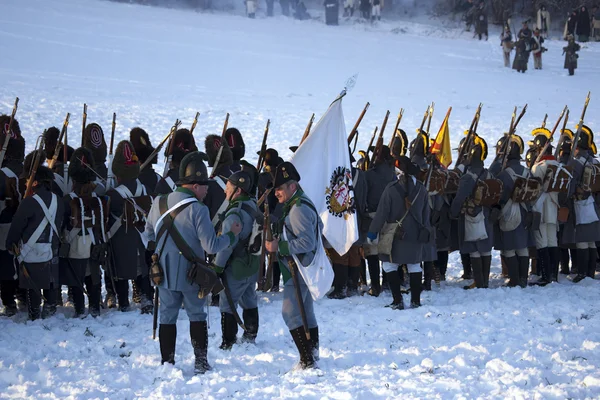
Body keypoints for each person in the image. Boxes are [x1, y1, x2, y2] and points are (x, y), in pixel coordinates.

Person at [145, 151, 241, 374]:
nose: (207, 189)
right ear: (195, 185)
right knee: (197, 315)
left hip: (162, 273)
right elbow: (211, 247)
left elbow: (147, 235)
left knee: (167, 316)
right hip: (192, 274)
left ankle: (167, 363)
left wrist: (162, 251)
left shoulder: (158, 202)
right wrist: (231, 236)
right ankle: (200, 362)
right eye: (204, 185)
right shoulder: (199, 209)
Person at [265, 161, 320, 369]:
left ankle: (306, 359)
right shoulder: (300, 203)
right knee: (306, 312)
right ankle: (312, 355)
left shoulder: (298, 209)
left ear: (292, 187)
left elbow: (308, 242)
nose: (277, 193)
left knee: (289, 313)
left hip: (298, 268)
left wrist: (279, 246)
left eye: (280, 188)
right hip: (301, 267)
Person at [367, 155, 427, 308]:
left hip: (395, 234)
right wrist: (425, 231)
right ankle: (415, 301)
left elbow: (382, 213)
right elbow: (427, 214)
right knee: (414, 266)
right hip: (416, 234)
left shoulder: (391, 189)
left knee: (389, 266)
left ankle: (398, 300)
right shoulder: (421, 188)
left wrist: (372, 232)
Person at [7, 166, 64, 320]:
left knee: (34, 282)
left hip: (33, 248)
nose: (26, 183)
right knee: (51, 278)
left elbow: (17, 225)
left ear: (35, 182)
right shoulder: (59, 200)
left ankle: (34, 313)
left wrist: (10, 242)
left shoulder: (28, 202)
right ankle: (50, 306)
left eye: (28, 181)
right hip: (53, 245)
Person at [213, 171, 260, 350]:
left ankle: (228, 341)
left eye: (228, 189)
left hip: (236, 267)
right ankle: (251, 334)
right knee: (249, 299)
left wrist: (217, 268)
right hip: (252, 264)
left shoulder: (234, 213)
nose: (225, 192)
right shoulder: (253, 205)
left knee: (227, 302)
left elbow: (226, 246)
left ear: (237, 191)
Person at [450, 136, 494, 290]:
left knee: (475, 249)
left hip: (471, 215)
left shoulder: (468, 177)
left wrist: (453, 212)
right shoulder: (488, 174)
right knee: (485, 248)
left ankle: (480, 282)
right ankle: (484, 282)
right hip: (486, 214)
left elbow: (459, 198)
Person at [564, 126, 600, 282]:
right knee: (591, 240)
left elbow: (570, 185)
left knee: (582, 240)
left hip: (580, 204)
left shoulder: (576, 163)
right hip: (593, 203)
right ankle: (590, 272)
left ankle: (583, 273)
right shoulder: (594, 160)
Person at [0, 115, 25, 316]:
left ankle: (9, 302)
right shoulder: (22, 169)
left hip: (7, 223)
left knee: (7, 263)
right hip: (25, 224)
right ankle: (21, 295)